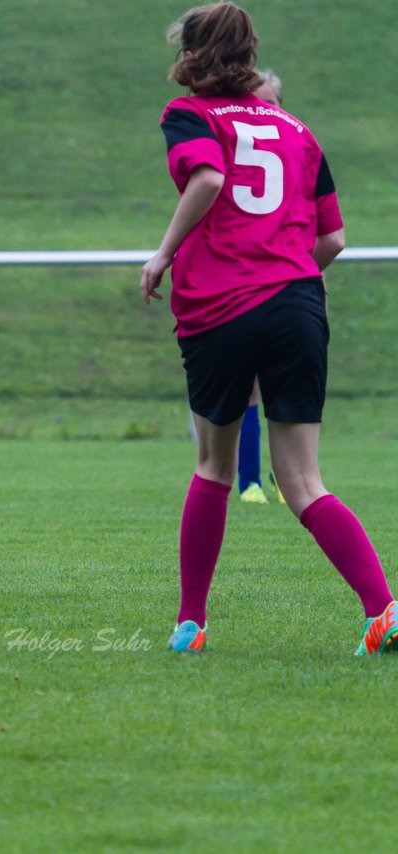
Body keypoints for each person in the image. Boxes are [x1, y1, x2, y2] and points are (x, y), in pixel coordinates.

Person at [141, 3, 396, 655]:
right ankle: (384, 609)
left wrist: (163, 253)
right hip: (295, 304)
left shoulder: (188, 116)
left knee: (213, 465)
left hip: (219, 308)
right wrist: (283, 279)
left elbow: (205, 176)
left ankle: (191, 625)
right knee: (304, 481)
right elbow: (332, 237)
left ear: (193, 55)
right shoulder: (297, 129)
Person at [234, 68, 286, 506]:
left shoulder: (293, 151)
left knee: (285, 386)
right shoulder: (235, 161)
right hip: (241, 288)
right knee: (247, 385)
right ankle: (249, 481)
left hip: (290, 288)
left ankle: (284, 479)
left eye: (269, 104)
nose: (262, 111)